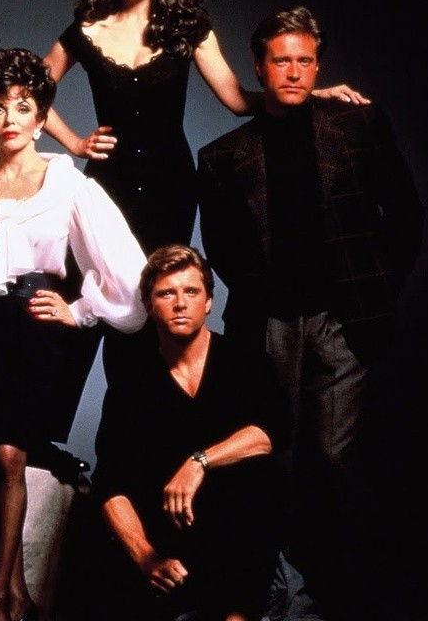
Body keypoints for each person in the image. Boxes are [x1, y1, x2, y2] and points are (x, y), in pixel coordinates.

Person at [197, 6, 422, 617]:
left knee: (334, 459)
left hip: (344, 322)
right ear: (258, 66)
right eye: (281, 60)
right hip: (269, 324)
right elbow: (222, 249)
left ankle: (343, 593)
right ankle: (276, 595)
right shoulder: (223, 157)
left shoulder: (357, 125)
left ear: (319, 66)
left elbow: (405, 213)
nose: (293, 72)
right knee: (274, 459)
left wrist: (376, 294)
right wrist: (266, 301)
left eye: (304, 61)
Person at [0, 48, 146, 621]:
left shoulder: (68, 185)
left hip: (35, 333)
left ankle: (0, 592)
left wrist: (81, 310)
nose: (10, 120)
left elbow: (125, 268)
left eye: (23, 107)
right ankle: (15, 589)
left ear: (41, 115)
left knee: (9, 455)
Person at [42, 0, 367, 255]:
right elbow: (30, 92)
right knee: (97, 277)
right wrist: (75, 143)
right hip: (107, 180)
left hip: (171, 182)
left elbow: (238, 101)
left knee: (164, 278)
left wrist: (308, 94)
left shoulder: (190, 28)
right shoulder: (86, 32)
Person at [91, 245, 288, 621]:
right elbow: (110, 484)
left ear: (209, 302)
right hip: (169, 539)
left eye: (191, 292)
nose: (180, 303)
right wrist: (145, 558)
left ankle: (237, 615)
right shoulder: (132, 384)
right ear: (149, 306)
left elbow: (272, 431)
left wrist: (199, 462)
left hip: (237, 533)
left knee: (263, 475)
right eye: (166, 293)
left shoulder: (244, 361)